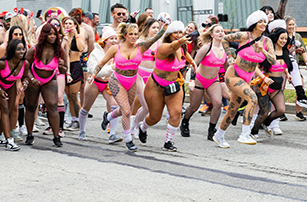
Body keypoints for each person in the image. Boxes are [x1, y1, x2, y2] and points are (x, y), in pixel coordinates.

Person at [92, 21, 166, 151]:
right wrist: (93, 75)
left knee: (123, 110)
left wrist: (163, 30)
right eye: (131, 34)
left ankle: (108, 117)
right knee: (127, 111)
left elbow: (155, 38)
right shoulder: (116, 48)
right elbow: (102, 62)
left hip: (131, 82)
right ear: (125, 35)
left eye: (136, 34)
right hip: (117, 81)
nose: (133, 36)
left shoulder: (141, 47)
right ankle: (128, 140)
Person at [213, 10, 276, 148]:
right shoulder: (245, 36)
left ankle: (218, 135)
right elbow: (225, 39)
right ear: (254, 23)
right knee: (252, 98)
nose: (263, 24)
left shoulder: (267, 41)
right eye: (260, 21)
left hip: (247, 79)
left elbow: (273, 60)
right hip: (234, 75)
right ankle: (245, 134)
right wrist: (229, 57)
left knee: (233, 109)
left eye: (265, 21)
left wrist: (263, 50)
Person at [138, 21, 192, 152]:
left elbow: (184, 54)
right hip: (156, 85)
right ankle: (143, 127)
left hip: (174, 84)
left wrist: (193, 62)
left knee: (176, 113)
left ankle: (168, 141)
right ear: (169, 34)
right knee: (154, 118)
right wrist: (180, 41)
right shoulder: (163, 47)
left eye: (180, 32)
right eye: (176, 33)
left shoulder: (181, 46)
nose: (179, 35)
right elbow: (173, 47)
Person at [24, 23, 69, 147]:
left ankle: (56, 136)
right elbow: (25, 67)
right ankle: (29, 134)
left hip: (50, 79)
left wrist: (62, 66)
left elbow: (65, 70)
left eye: (55, 34)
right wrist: (31, 78)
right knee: (31, 107)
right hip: (34, 78)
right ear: (44, 35)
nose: (53, 37)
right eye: (50, 34)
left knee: (53, 106)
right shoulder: (34, 49)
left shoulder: (60, 51)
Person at [181, 24, 227, 141]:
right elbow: (194, 64)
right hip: (199, 80)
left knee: (217, 103)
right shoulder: (206, 47)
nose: (220, 33)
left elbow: (227, 68)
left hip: (213, 80)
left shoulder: (225, 50)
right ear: (211, 34)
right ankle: (185, 122)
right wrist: (191, 81)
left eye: (222, 31)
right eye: (217, 31)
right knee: (194, 107)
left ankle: (211, 130)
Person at [250, 21, 291, 139]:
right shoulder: (268, 51)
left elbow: (283, 67)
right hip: (264, 85)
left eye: (285, 39)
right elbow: (255, 66)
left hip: (277, 86)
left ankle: (266, 123)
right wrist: (262, 78)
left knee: (281, 110)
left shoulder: (285, 52)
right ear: (276, 38)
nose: (283, 41)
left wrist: (287, 74)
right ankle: (254, 132)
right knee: (263, 112)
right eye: (281, 38)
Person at [79, 26, 120, 142]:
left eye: (116, 38)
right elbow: (94, 70)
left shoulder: (118, 52)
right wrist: (111, 68)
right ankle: (82, 130)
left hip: (109, 83)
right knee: (86, 108)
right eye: (111, 38)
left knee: (115, 106)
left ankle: (112, 134)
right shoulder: (95, 53)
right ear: (105, 40)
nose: (114, 41)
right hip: (95, 82)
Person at [0, 39, 24, 151]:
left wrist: (27, 82)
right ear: (12, 50)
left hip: (11, 85)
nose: (22, 51)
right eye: (18, 49)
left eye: (23, 49)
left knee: (8, 111)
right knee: (4, 108)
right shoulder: (2, 63)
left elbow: (27, 75)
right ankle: (9, 141)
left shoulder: (24, 63)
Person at [284, 17, 307, 122]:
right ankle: (279, 112)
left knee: (300, 87)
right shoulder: (282, 36)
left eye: (293, 24)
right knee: (280, 89)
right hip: (283, 65)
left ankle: (299, 112)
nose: (291, 26)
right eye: (289, 24)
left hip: (294, 65)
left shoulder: (297, 36)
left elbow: (303, 50)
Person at [63, 16, 86, 131]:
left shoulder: (79, 36)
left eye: (70, 23)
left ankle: (81, 120)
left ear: (75, 25)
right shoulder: (64, 38)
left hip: (76, 65)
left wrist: (75, 33)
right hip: (66, 67)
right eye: (66, 23)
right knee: (68, 96)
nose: (68, 25)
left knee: (73, 94)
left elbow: (81, 48)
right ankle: (73, 119)